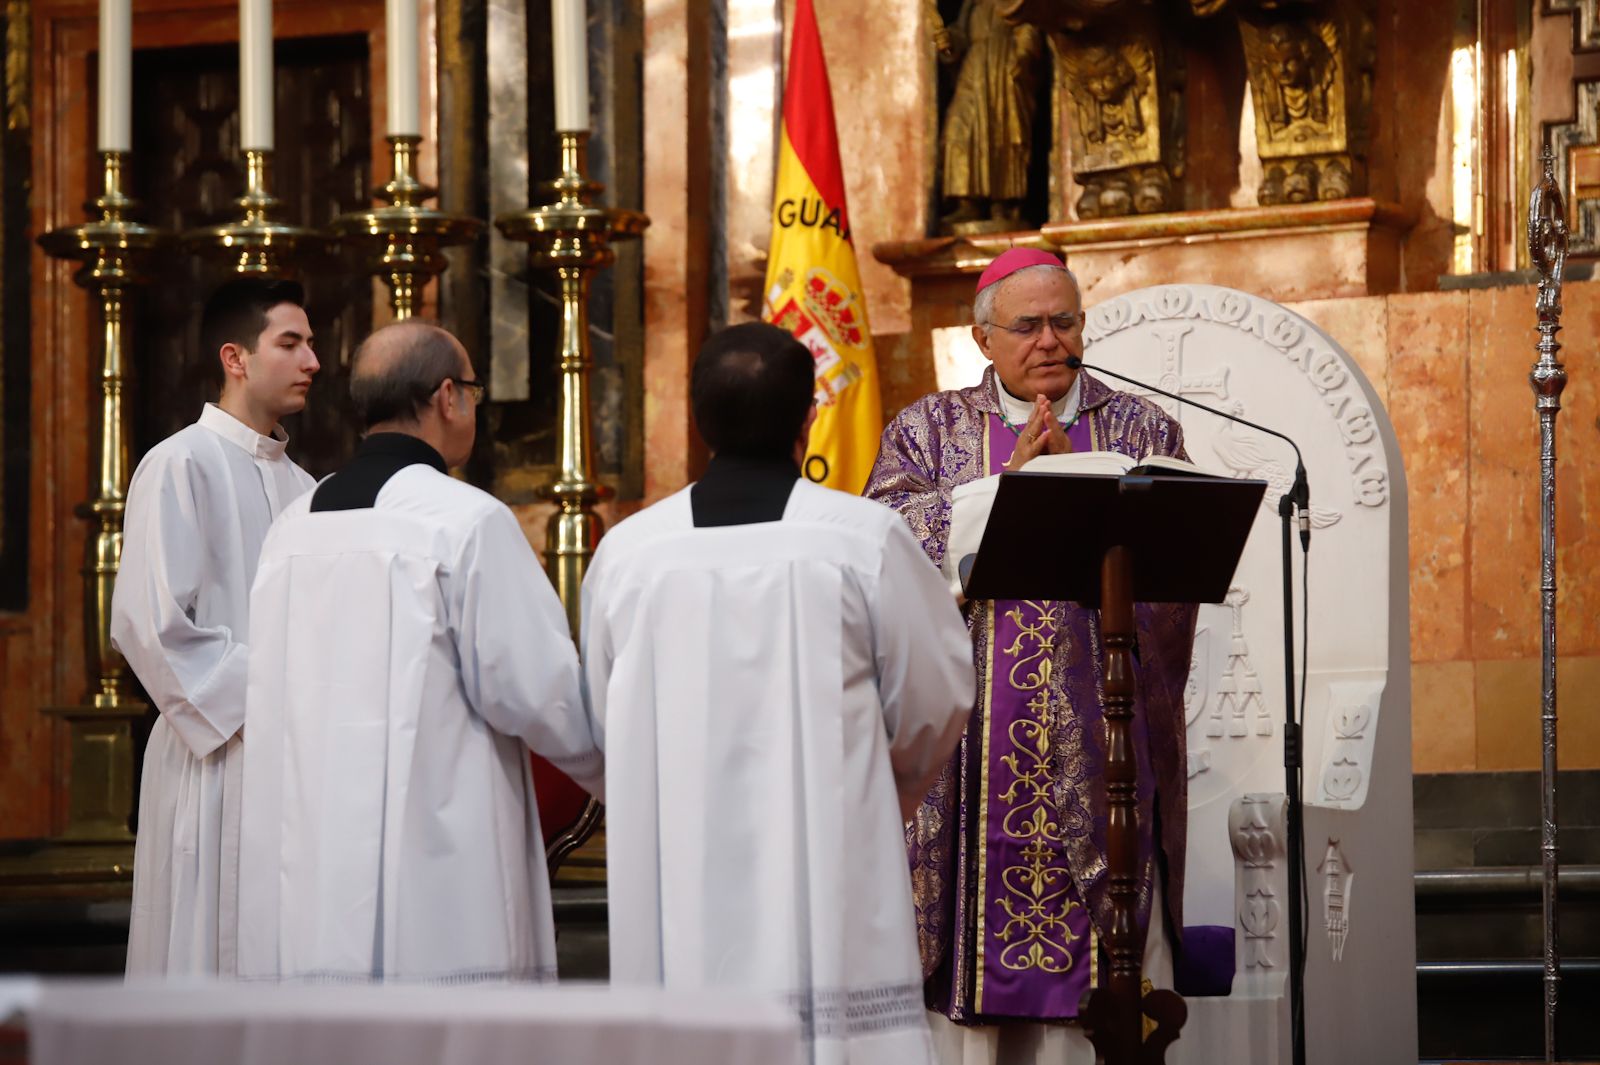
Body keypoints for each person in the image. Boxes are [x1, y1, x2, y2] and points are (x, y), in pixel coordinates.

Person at [581, 322, 977, 1064]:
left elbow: (602, 718)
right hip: (833, 858)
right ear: (810, 416)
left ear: (698, 422)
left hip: (678, 877)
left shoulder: (629, 554)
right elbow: (940, 694)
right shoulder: (862, 539)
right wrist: (874, 791)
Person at [864, 248, 1197, 1064]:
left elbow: (1182, 570)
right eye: (1028, 325)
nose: (1050, 340)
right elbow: (884, 549)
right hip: (970, 764)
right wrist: (1001, 491)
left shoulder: (1142, 428)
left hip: (1101, 746)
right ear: (984, 339)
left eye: (1065, 321)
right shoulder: (927, 430)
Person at [234, 321, 600, 984]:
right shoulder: (465, 520)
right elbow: (538, 690)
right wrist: (622, 770)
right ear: (448, 397)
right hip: (436, 858)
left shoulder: (292, 527)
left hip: (311, 855)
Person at [112, 278, 320, 978]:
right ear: (235, 357)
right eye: (290, 343)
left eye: (311, 344)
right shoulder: (179, 463)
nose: (312, 361)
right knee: (204, 948)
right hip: (215, 754)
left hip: (293, 758)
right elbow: (149, 623)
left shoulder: (307, 489)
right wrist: (271, 695)